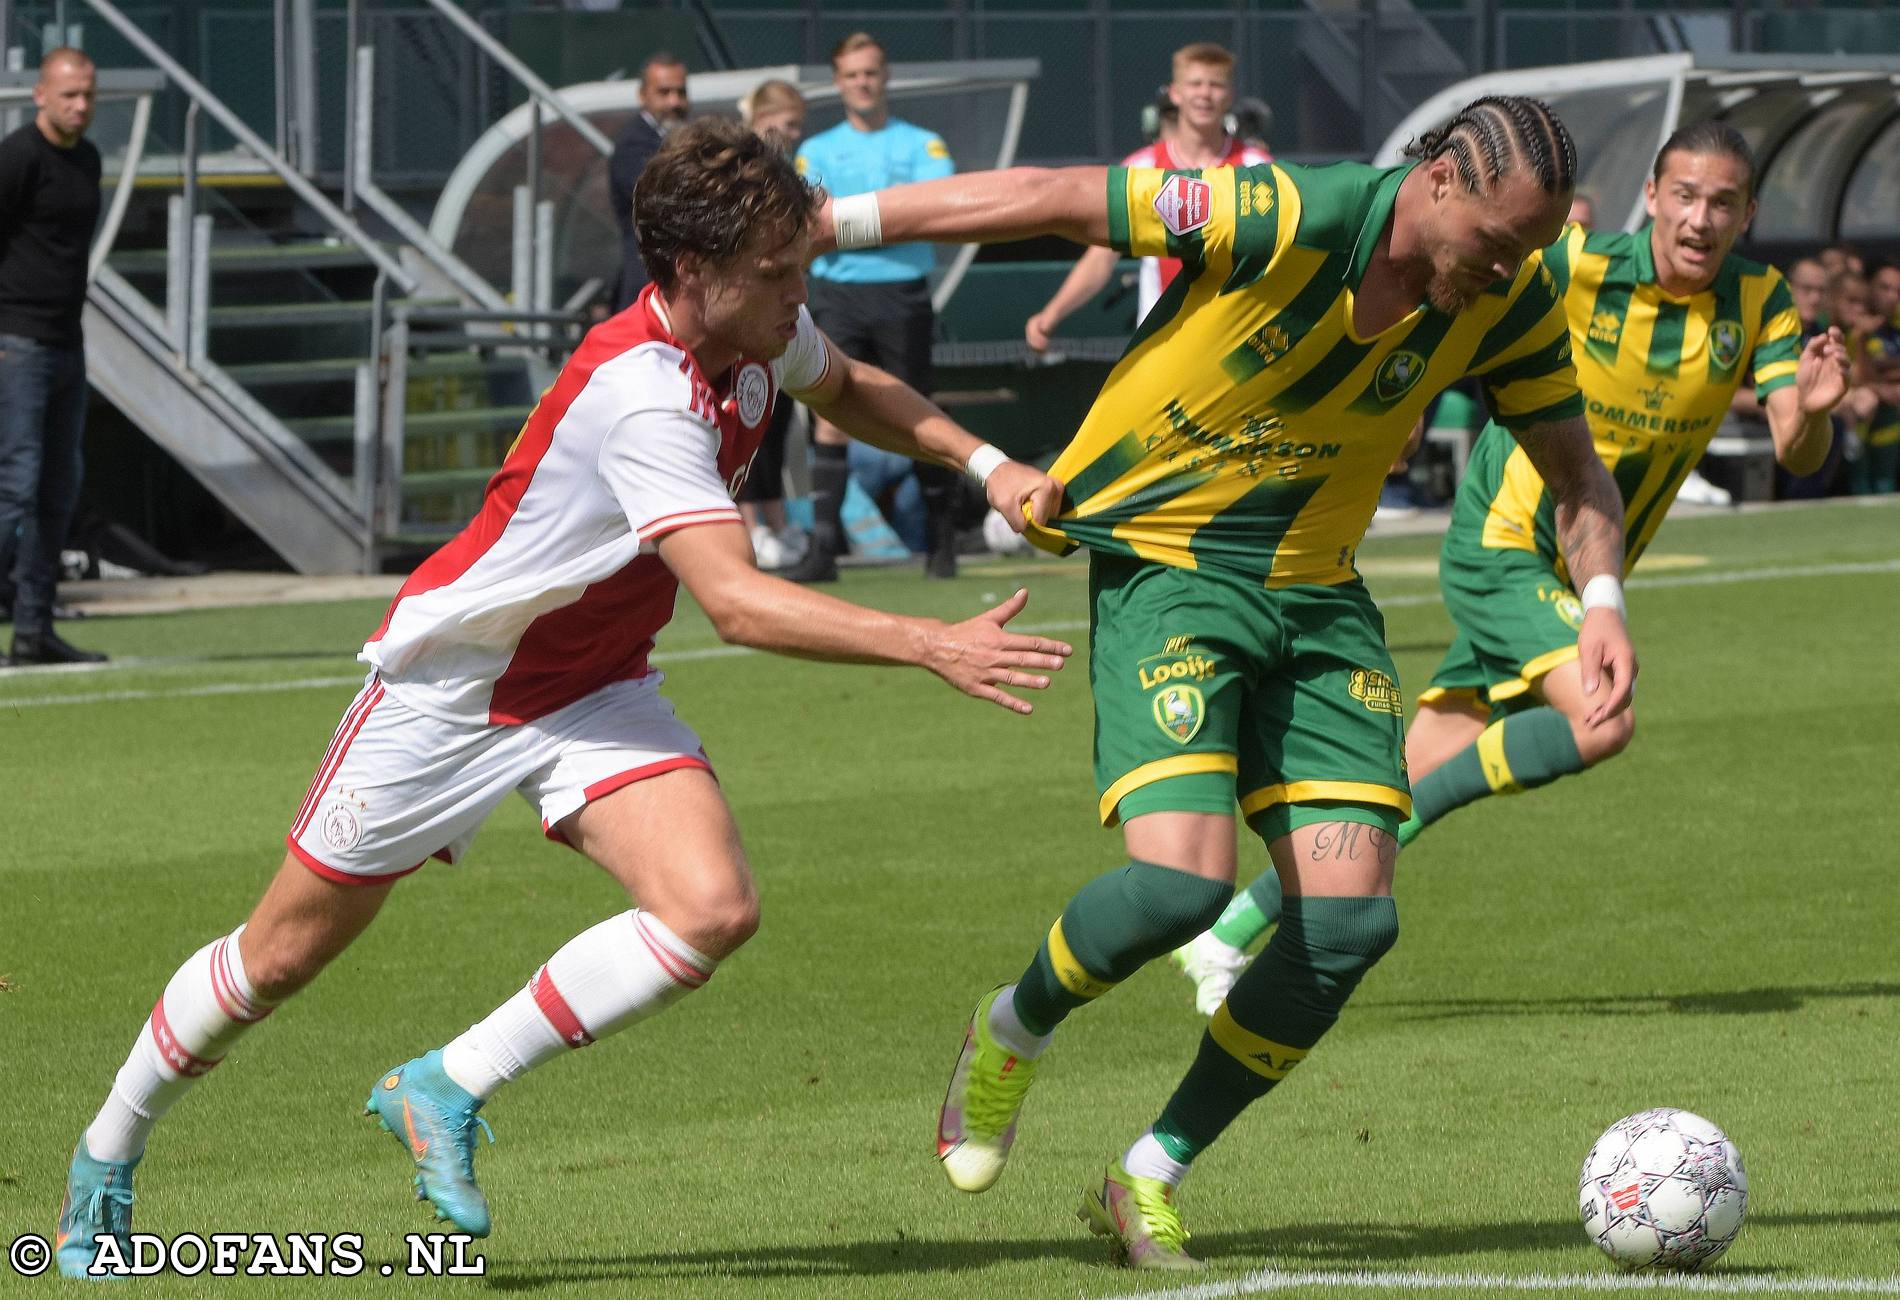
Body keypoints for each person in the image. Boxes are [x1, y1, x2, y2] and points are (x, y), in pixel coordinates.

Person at [53, 118, 1073, 1279]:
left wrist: (987, 464)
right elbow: (737, 604)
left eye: (803, 264)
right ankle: (106, 1153)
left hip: (592, 683)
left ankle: (444, 1083)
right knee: (279, 957)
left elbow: (848, 387)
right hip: (457, 688)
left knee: (710, 905)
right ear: (694, 272)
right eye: (782, 271)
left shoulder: (756, 328)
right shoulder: (643, 396)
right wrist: (924, 642)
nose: (806, 290)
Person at [819, 96, 1635, 1268]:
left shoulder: (1507, 300)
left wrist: (1601, 602)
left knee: (1350, 924)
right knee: (1180, 888)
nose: (1508, 266)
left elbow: (1577, 478)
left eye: (1529, 249)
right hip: (1171, 569)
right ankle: (1012, 1027)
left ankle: (1146, 1174)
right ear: (1442, 180)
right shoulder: (1286, 211)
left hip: (1319, 594)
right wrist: (826, 220)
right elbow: (1054, 197)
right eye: (1496, 239)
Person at [1177, 124, 1849, 1007]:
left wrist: (1816, 414)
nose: (1700, 217)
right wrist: (1398, 410)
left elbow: (1796, 450)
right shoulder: (1570, 264)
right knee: (1603, 717)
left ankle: (1225, 935)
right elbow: (1451, 308)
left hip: (1579, 570)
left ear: (1749, 213)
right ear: (1652, 196)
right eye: (1685, 195)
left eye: (1723, 203)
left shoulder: (1760, 301)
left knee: (1392, 794)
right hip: (1502, 543)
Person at [785, 32, 959, 582]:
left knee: (917, 412)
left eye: (871, 73)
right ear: (838, 84)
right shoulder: (815, 151)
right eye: (853, 75)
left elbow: (936, 210)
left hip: (901, 293)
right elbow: (811, 220)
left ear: (886, 78)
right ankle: (824, 548)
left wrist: (846, 221)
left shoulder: (924, 144)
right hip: (837, 294)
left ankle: (942, 541)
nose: (863, 83)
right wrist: (891, 215)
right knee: (827, 412)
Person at [1023, 43, 1270, 354]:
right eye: (1195, 84)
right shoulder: (1140, 169)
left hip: (1236, 342)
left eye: (1215, 85)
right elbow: (1101, 257)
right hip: (1160, 345)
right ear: (1175, 93)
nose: (1205, 94)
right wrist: (1050, 316)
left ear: (1229, 96)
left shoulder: (1258, 167)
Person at [0, 47, 105, 666]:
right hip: (18, 342)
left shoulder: (87, 159)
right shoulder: (17, 157)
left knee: (57, 491)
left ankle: (33, 630)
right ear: (40, 95)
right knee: (14, 485)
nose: (80, 106)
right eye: (69, 95)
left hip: (68, 342)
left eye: (88, 95)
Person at [735, 78, 812, 570]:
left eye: (796, 125)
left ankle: (777, 521)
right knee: (743, 415)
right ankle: (749, 525)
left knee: (775, 415)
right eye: (783, 123)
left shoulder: (794, 173)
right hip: (745, 311)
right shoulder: (738, 172)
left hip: (778, 310)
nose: (791, 134)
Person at [607, 51, 690, 312]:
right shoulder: (633, 145)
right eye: (664, 92)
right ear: (643, 95)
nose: (674, 101)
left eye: (681, 92)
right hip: (646, 282)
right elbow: (662, 204)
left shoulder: (676, 138)